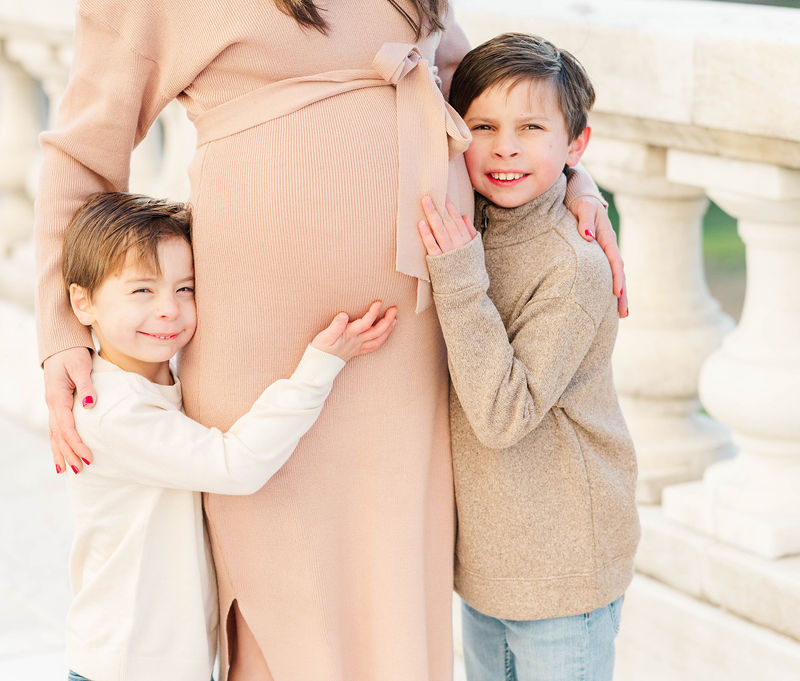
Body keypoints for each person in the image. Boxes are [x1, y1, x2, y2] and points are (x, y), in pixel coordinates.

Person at [34, 2, 628, 678]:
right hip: (258, 336)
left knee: (391, 570)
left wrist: (576, 183)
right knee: (277, 570)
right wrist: (61, 332)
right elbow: (83, 151)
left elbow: (475, 90)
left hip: (409, 340)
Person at [61, 191, 396, 681]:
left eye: (185, 289)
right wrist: (320, 367)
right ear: (82, 301)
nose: (168, 311)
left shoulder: (153, 383)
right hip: (127, 662)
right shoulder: (112, 411)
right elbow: (235, 466)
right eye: (141, 292)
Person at [416, 33, 640, 681]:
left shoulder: (573, 266)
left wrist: (459, 277)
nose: (504, 146)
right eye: (482, 126)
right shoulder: (475, 216)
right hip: (492, 562)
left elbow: (503, 415)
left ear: (576, 145)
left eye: (530, 127)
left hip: (564, 568)